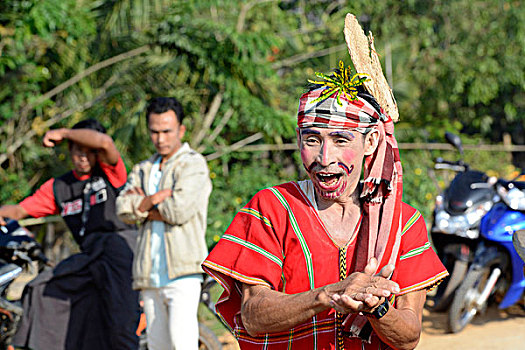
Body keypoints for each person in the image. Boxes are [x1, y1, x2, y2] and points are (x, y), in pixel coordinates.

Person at [202, 65, 449, 350]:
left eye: (340, 139)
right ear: (298, 141)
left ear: (370, 141)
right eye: (312, 140)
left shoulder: (402, 222)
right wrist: (329, 295)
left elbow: (408, 337)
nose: (324, 157)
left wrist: (377, 307)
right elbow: (254, 314)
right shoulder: (272, 207)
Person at [0, 119, 140, 350]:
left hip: (121, 250)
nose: (83, 157)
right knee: (40, 289)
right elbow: (21, 209)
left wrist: (65, 132)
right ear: (70, 152)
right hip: (89, 255)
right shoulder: (59, 186)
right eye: (77, 151)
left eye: (89, 152)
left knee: (120, 323)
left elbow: (105, 142)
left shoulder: (111, 173)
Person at [116, 97, 212, 350]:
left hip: (182, 271)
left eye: (166, 131)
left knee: (182, 344)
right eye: (154, 131)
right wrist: (157, 198)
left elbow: (178, 210)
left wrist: (142, 206)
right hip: (149, 273)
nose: (160, 138)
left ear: (181, 129)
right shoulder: (143, 168)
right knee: (157, 346)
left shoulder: (193, 163)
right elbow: (122, 209)